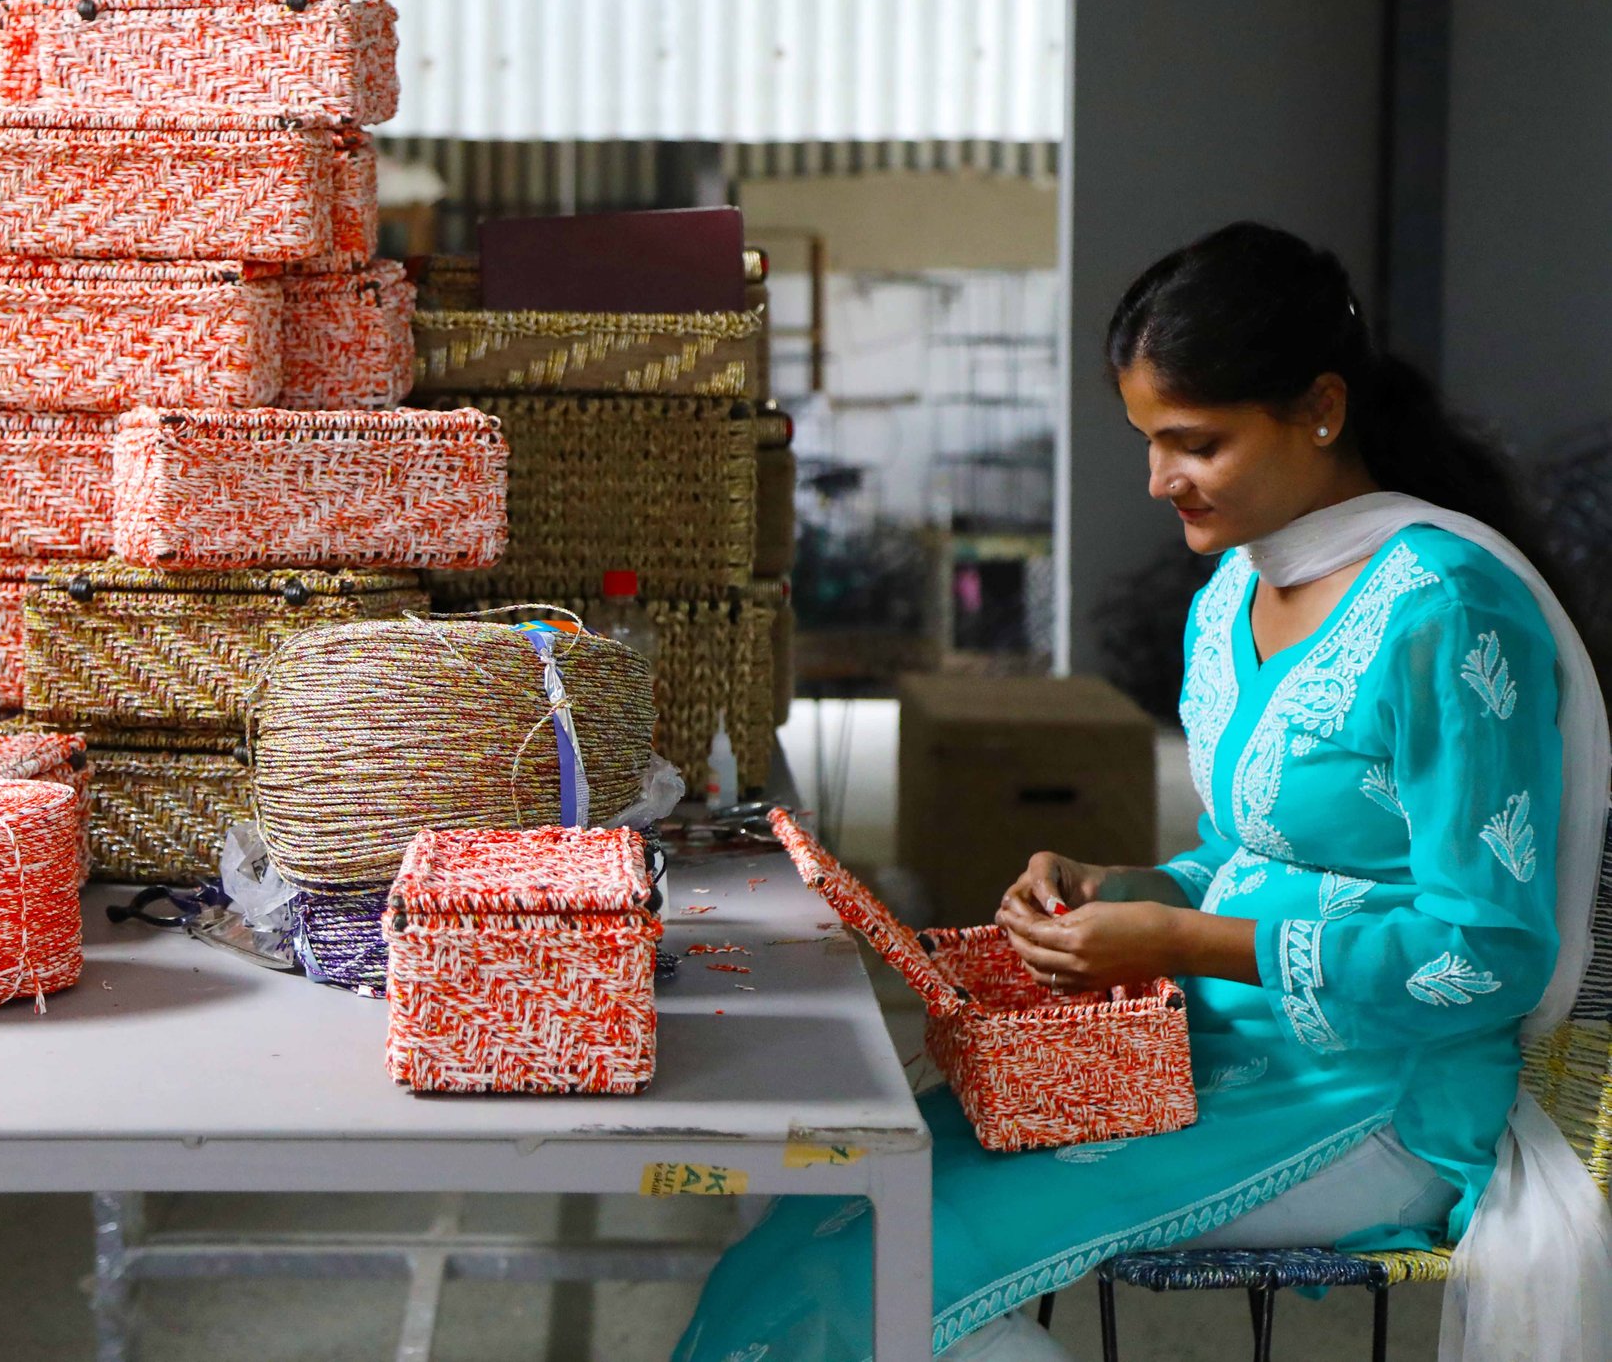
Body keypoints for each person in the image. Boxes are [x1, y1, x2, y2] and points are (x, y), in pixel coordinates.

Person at [676, 222, 1612, 1361]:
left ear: (1320, 409)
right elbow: (1244, 851)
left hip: (1376, 1092)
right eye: (1147, 439)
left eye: (1195, 441)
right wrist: (1125, 886)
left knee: (867, 1267)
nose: (1159, 478)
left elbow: (1485, 954)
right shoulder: (1230, 593)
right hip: (1199, 1050)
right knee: (825, 1214)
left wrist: (1174, 933)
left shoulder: (1445, 611)